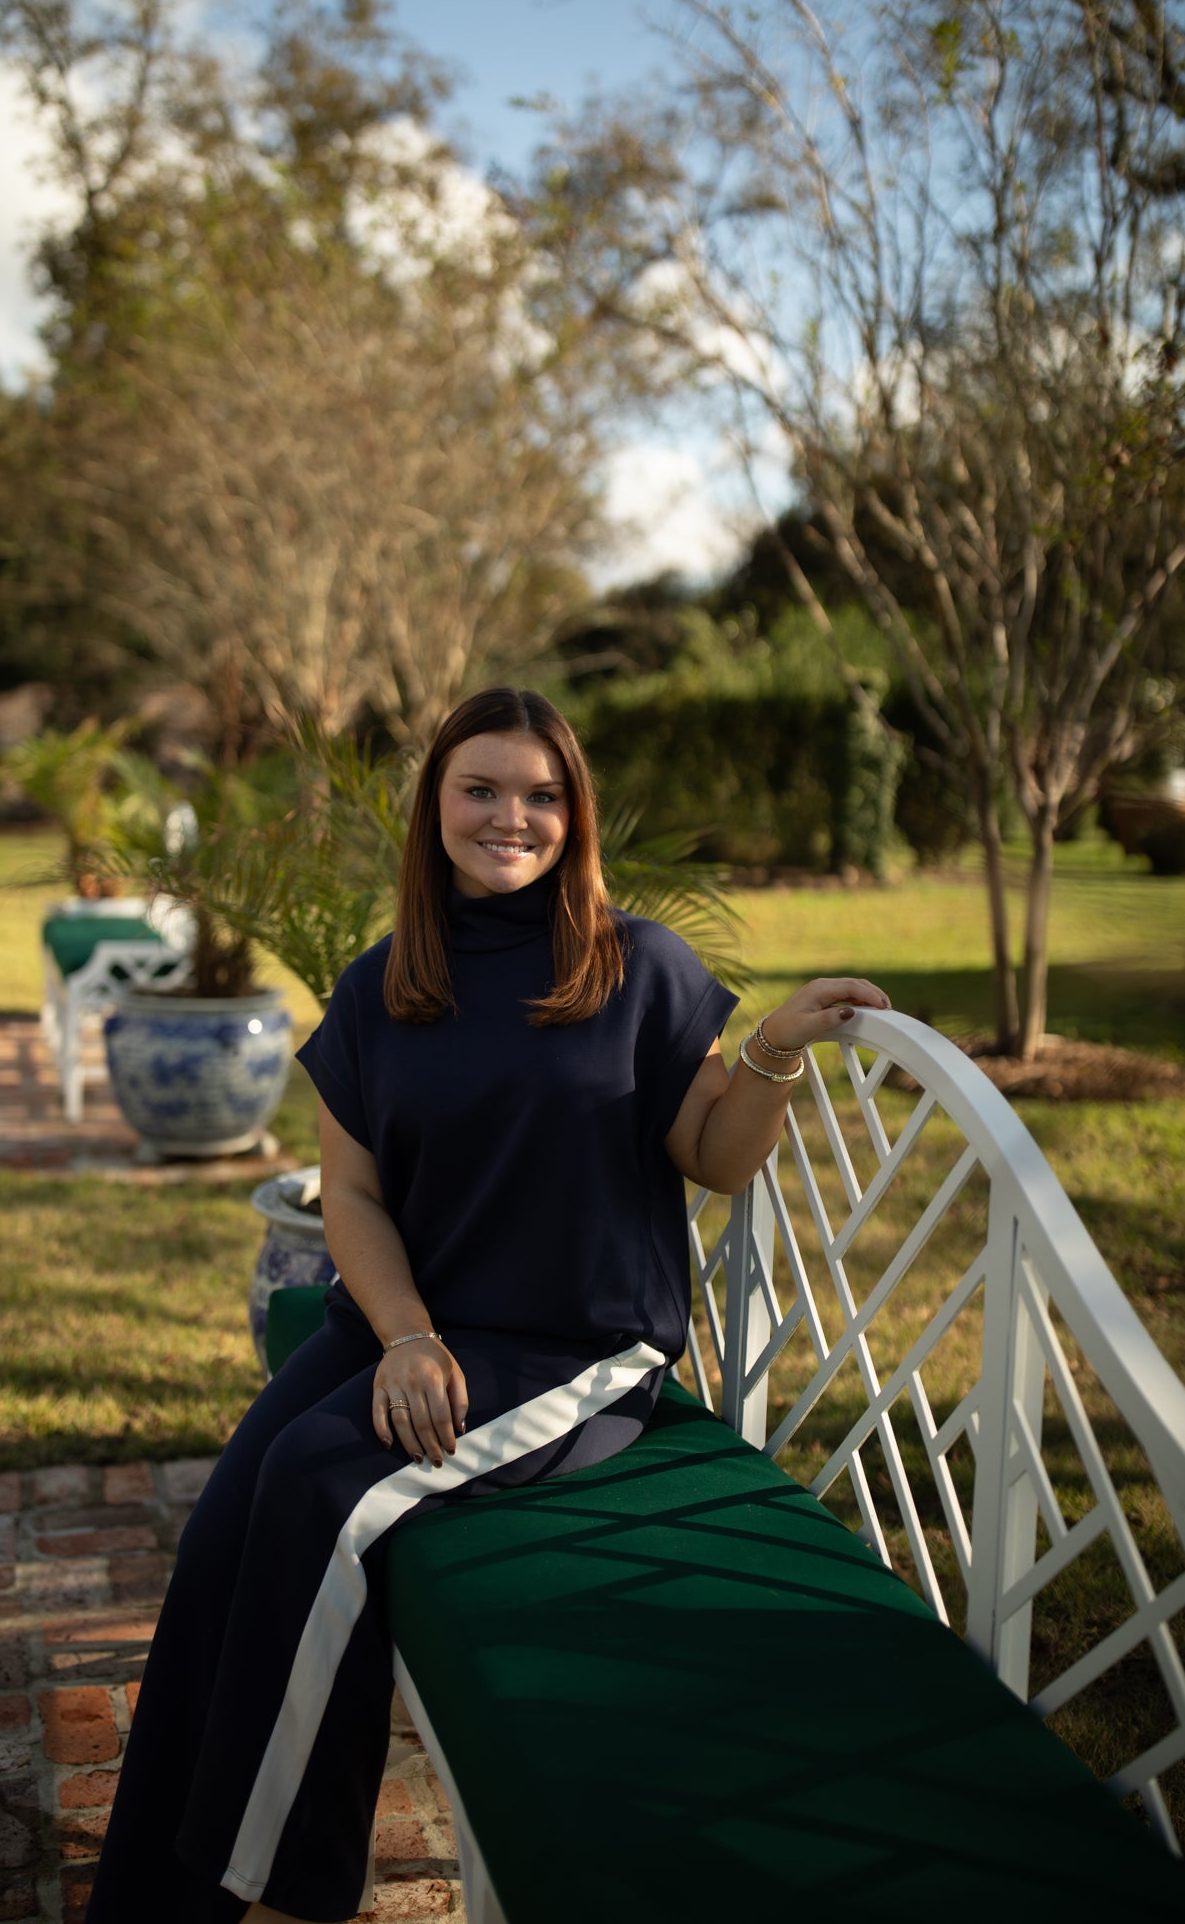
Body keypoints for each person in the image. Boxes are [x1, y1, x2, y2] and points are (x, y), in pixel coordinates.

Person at [86, 687, 889, 1924]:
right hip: (405, 1325)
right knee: (222, 1530)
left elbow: (717, 1156)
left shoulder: (639, 966)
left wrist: (773, 1046)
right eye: (481, 788)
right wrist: (405, 1331)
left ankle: (270, 1890)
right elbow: (352, 1194)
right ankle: (147, 1897)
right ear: (436, 806)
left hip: (571, 1347)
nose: (512, 816)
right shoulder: (382, 982)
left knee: (317, 1486)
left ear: (575, 813)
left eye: (542, 794)